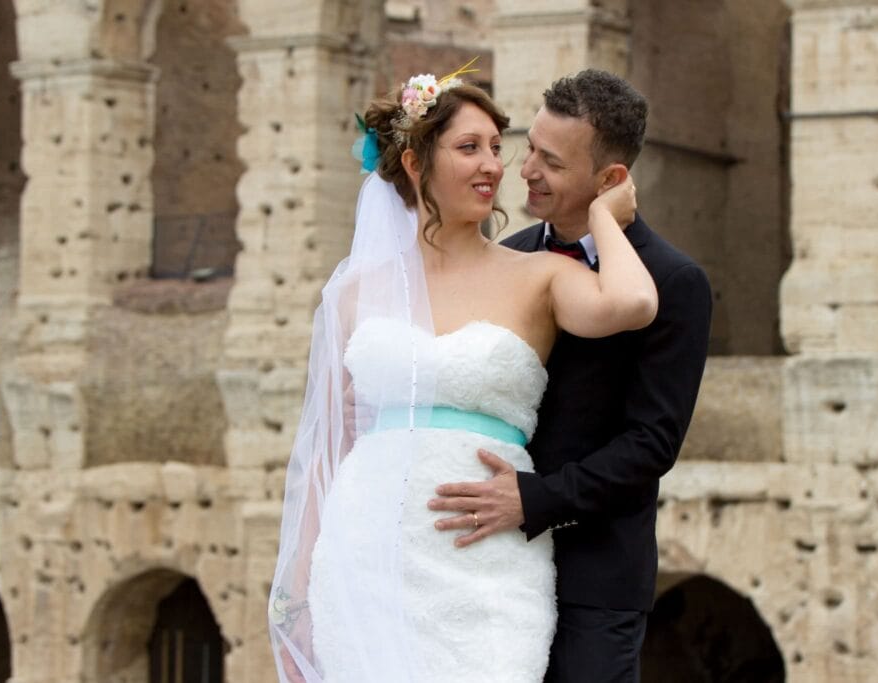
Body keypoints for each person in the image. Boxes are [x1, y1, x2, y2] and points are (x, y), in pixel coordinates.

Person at [268, 64, 657, 683]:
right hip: (365, 549)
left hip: (487, 557)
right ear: (417, 164)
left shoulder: (539, 274)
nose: (493, 166)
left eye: (497, 149)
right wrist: (295, 593)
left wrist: (608, 218)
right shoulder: (352, 294)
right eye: (469, 148)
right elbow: (330, 447)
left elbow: (635, 302)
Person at [429, 69, 713, 682]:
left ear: (611, 181)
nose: (525, 169)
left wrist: (534, 498)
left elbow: (651, 445)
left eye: (551, 162)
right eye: (529, 147)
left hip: (595, 577)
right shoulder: (506, 256)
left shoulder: (675, 282)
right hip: (484, 561)